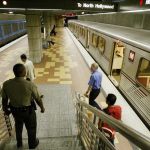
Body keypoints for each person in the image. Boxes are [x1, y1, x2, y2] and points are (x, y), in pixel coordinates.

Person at [1, 63, 45, 149]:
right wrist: (42, 108)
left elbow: (4, 99)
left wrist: (5, 109)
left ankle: (19, 143)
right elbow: (38, 98)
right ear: (23, 72)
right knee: (31, 128)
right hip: (28, 111)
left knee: (18, 126)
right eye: (25, 69)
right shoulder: (30, 84)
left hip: (15, 111)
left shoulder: (6, 84)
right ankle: (32, 144)